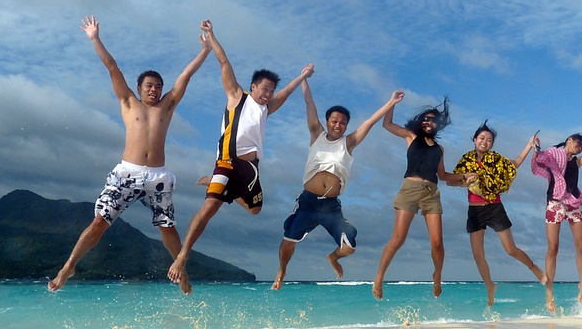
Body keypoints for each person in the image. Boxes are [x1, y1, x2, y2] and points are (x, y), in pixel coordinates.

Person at [48, 16, 211, 293]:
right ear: (139, 88)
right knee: (100, 221)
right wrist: (95, 38)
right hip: (127, 173)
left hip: (158, 177)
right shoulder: (128, 102)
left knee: (167, 228)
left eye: (158, 86)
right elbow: (112, 67)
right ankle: (69, 266)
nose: (154, 89)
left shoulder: (167, 107)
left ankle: (180, 270)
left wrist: (205, 50)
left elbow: (185, 76)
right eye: (149, 85)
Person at [167, 20, 314, 290]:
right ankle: (182, 257)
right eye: (264, 89)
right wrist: (212, 36)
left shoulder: (266, 109)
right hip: (227, 162)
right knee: (209, 208)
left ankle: (223, 189)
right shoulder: (238, 96)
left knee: (257, 210)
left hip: (251, 169)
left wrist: (303, 76)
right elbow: (224, 64)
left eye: (271, 90)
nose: (268, 94)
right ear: (253, 86)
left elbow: (288, 91)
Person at [271, 84, 405, 290]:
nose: (338, 125)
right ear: (327, 122)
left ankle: (333, 257)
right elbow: (310, 103)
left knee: (349, 246)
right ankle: (282, 270)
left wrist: (391, 102)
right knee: (289, 239)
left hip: (331, 207)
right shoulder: (316, 134)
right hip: (308, 201)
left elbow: (369, 122)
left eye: (343, 123)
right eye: (334, 121)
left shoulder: (348, 143)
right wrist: (305, 79)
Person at [372, 97, 476, 300]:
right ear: (421, 121)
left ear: (438, 125)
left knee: (437, 243)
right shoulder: (411, 136)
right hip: (410, 189)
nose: (428, 122)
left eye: (433, 120)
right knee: (397, 239)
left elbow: (444, 176)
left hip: (431, 193)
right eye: (426, 119)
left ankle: (437, 277)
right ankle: (379, 277)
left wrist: (464, 176)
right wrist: (392, 102)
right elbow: (387, 124)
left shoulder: (439, 149)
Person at [453, 122, 547, 306]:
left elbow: (517, 163)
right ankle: (490, 286)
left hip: (494, 207)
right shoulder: (466, 160)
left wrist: (530, 144)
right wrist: (465, 178)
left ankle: (534, 269)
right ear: (474, 139)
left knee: (510, 249)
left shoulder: (496, 159)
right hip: (474, 210)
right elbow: (451, 181)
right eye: (481, 138)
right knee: (478, 254)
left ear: (492, 144)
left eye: (489, 140)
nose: (485, 142)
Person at [531, 116, 582, 313]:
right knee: (553, 247)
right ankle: (549, 294)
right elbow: (539, 160)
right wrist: (536, 147)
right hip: (554, 203)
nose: (579, 149)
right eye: (578, 144)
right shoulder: (553, 156)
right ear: (569, 139)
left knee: (580, 245)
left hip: (573, 203)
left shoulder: (577, 163)